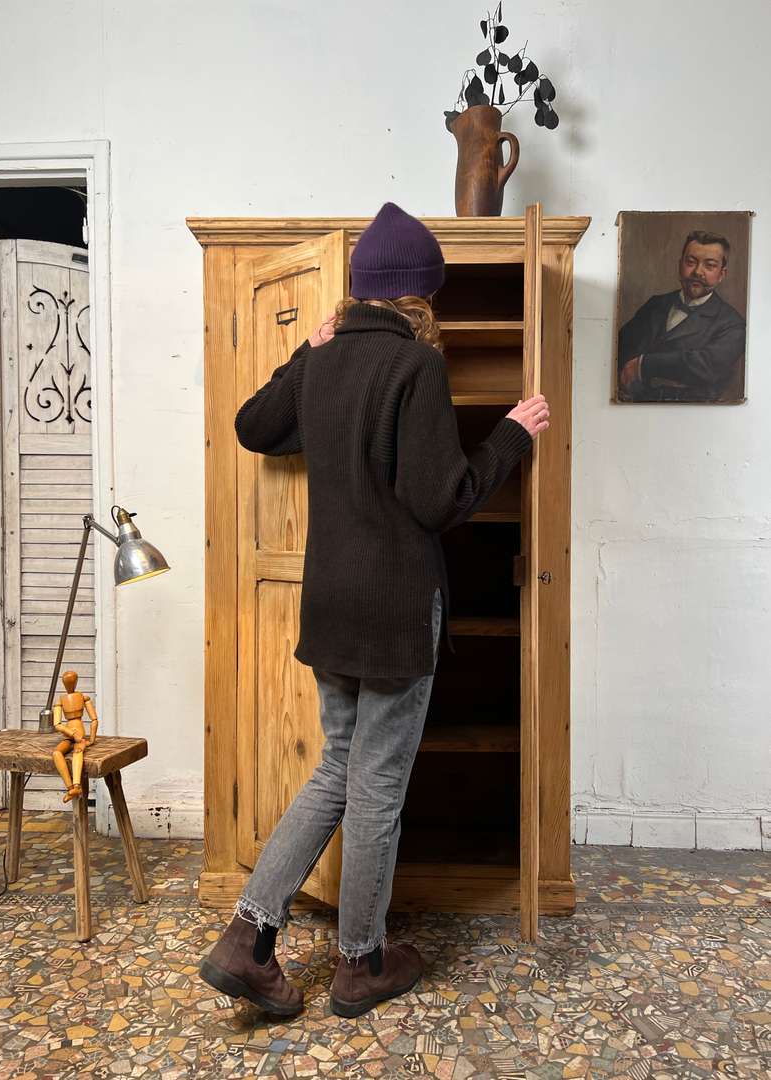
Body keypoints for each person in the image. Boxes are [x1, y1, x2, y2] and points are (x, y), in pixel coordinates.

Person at [198, 201, 550, 1018]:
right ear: (419, 296)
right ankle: (360, 964)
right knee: (377, 785)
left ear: (358, 289)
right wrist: (509, 435)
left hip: (329, 606)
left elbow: (254, 426)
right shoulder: (416, 365)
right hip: (395, 611)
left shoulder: (324, 361)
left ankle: (247, 937)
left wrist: (305, 350)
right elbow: (441, 499)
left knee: (338, 768)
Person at [618, 230, 746, 402]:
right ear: (680, 265)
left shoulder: (733, 323)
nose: (698, 272)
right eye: (691, 262)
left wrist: (643, 364)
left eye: (709, 265)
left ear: (721, 274)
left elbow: (707, 366)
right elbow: (619, 347)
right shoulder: (656, 304)